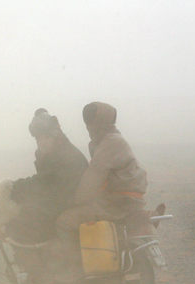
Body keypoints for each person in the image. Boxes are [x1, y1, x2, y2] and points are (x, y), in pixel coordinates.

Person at [56, 102, 148, 267]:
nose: (88, 127)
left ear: (99, 123)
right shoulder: (111, 140)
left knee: (64, 221)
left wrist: (74, 201)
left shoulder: (109, 144)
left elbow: (92, 179)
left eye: (90, 122)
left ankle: (73, 271)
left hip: (118, 205)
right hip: (122, 201)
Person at [6, 108, 88, 245]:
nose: (41, 142)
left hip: (68, 204)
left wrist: (12, 188)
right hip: (60, 201)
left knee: (21, 224)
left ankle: (34, 265)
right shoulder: (52, 153)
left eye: (46, 137)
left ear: (55, 135)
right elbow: (44, 184)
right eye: (38, 138)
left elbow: (43, 183)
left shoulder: (65, 155)